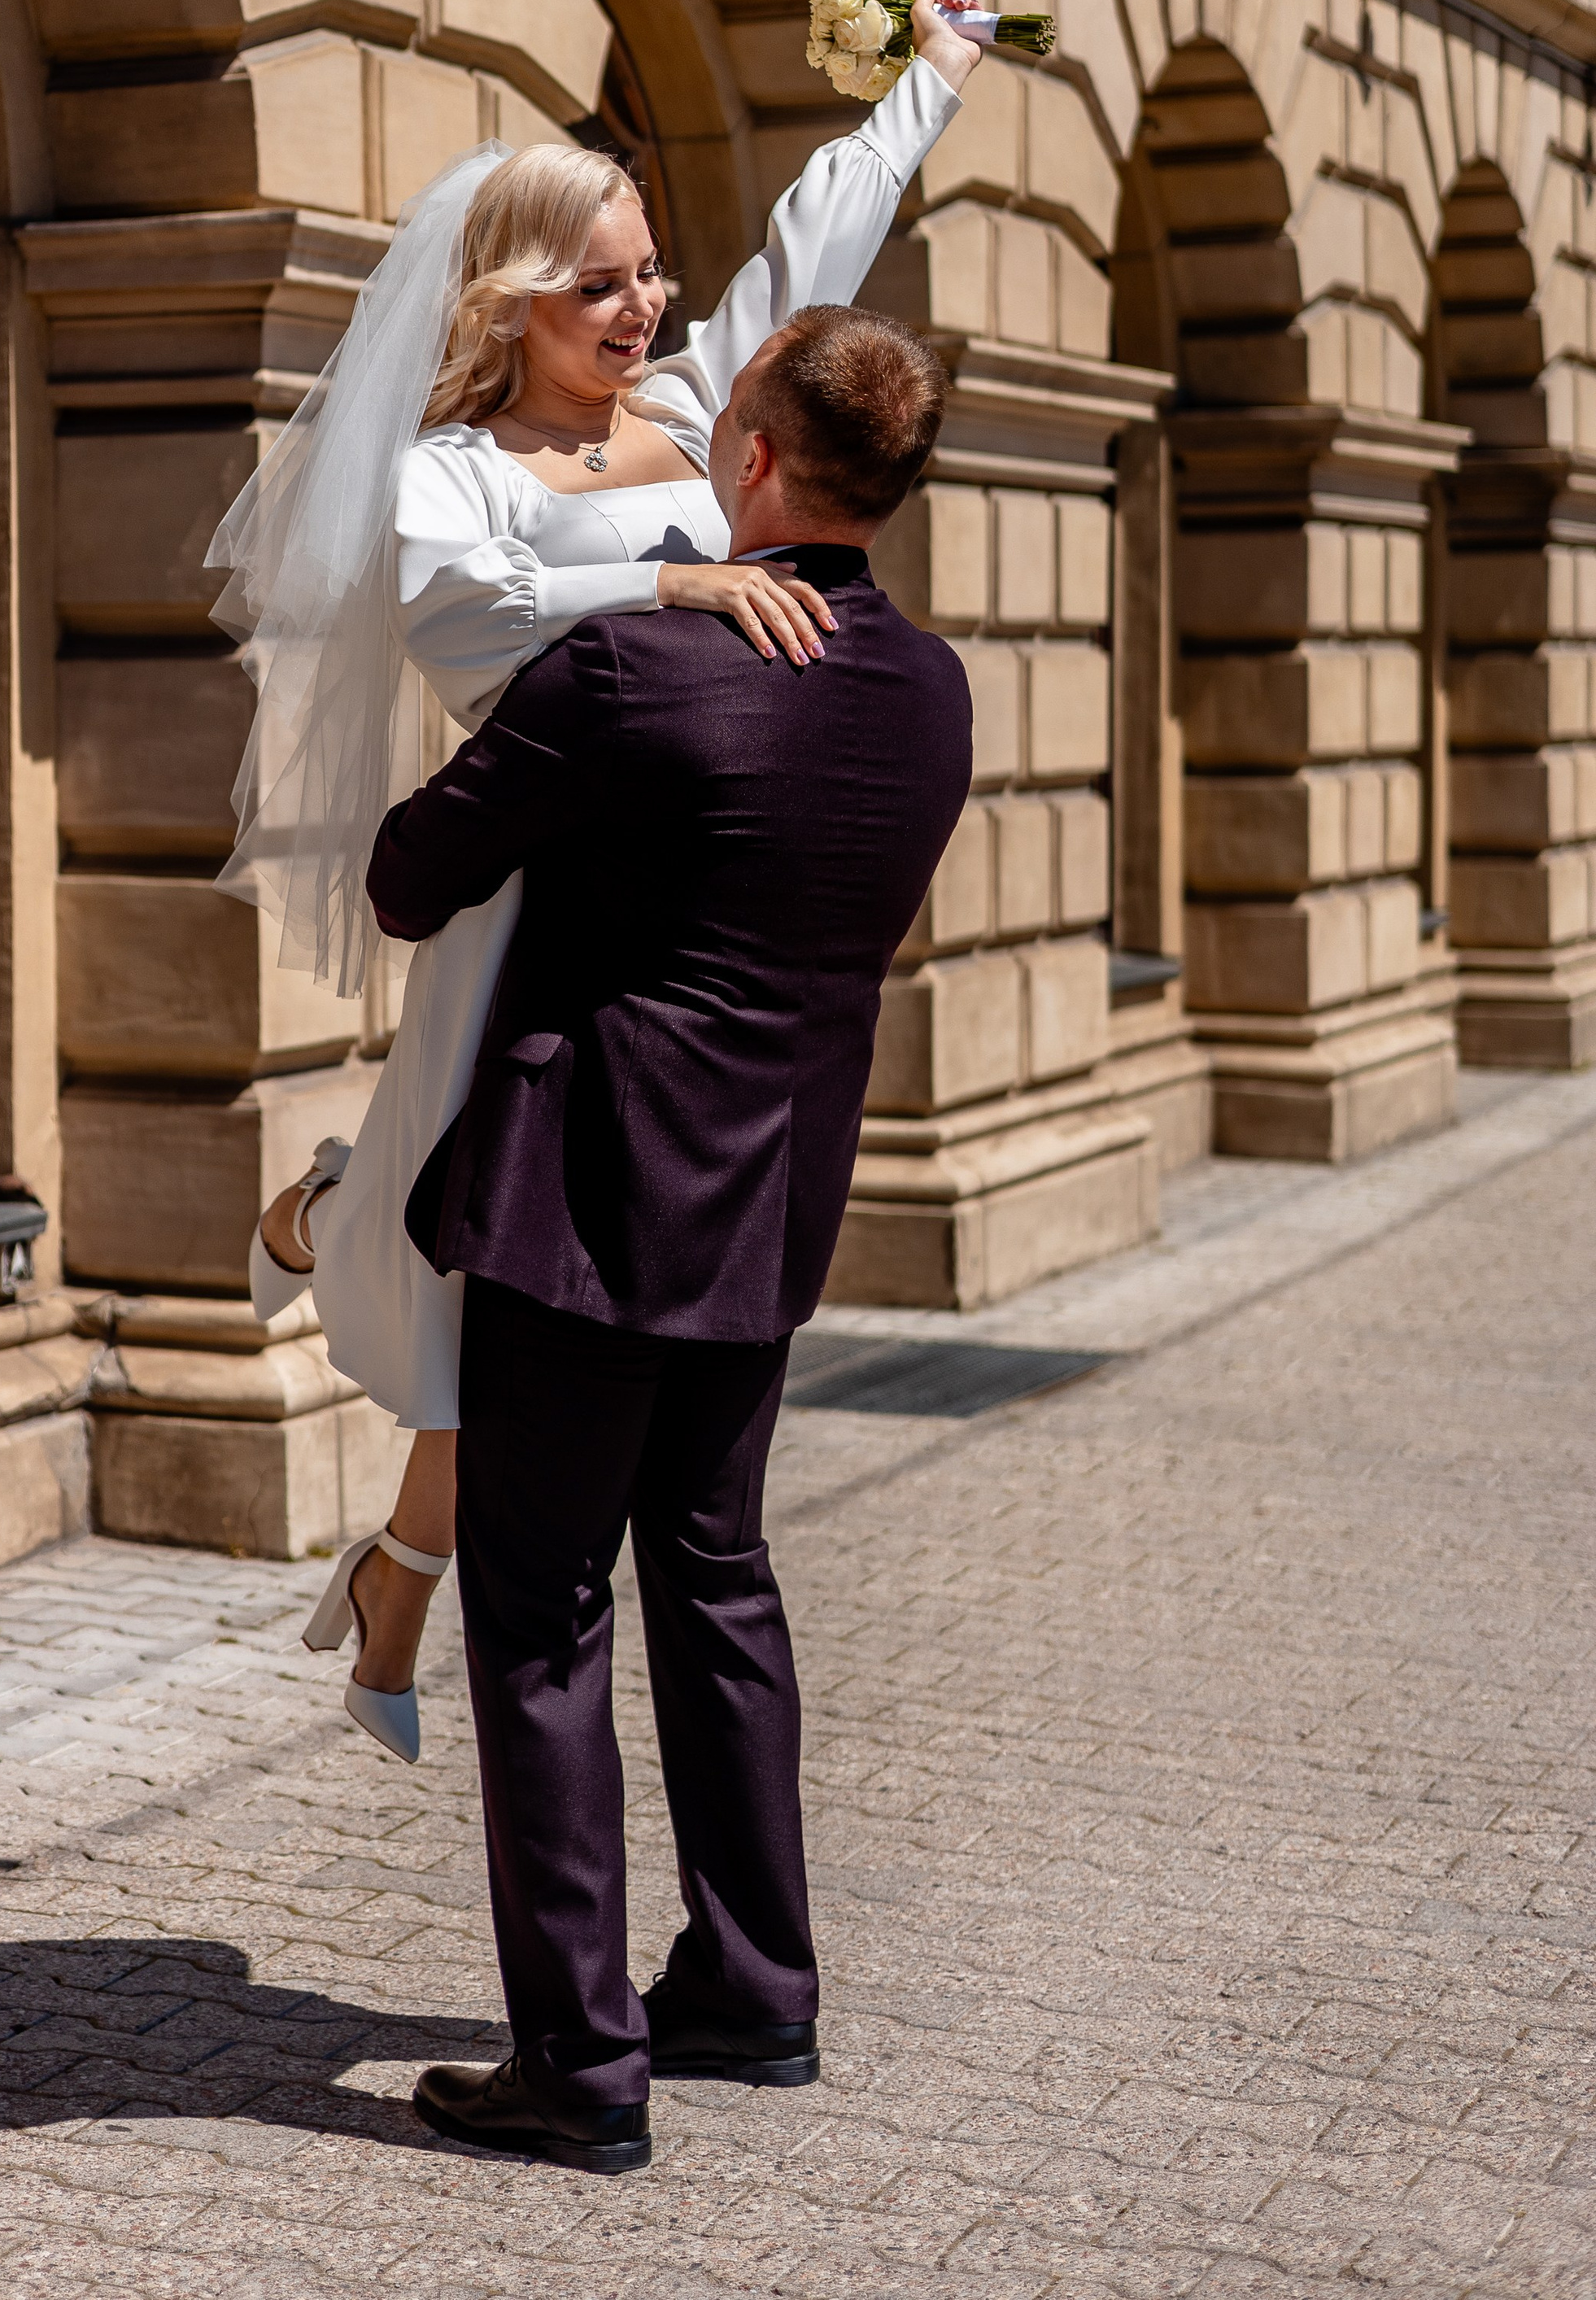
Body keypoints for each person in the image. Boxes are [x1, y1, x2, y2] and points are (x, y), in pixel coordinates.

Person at [213, 0, 979, 1763]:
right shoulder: (451, 473)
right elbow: (461, 620)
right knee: (493, 1281)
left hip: (664, 915)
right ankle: (340, 1231)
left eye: (646, 272)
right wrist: (665, 586)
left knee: (514, 1303)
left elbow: (818, 232)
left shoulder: (705, 406)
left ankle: (398, 1542)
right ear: (506, 305)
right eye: (598, 285)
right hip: (519, 893)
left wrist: (925, 81)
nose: (641, 309)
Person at [362, 304, 975, 2171]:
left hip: (583, 1208)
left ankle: (582, 2066)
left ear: (761, 466)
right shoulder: (932, 690)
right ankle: (752, 1988)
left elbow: (409, 874)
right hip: (771, 1205)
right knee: (713, 1576)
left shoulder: (632, 674)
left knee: (539, 1612)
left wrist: (599, 635)